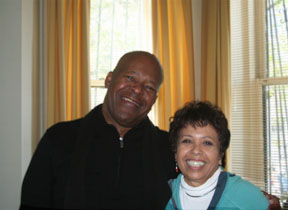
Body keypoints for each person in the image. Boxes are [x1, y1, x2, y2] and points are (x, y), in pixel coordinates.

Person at [20, 51, 280, 210]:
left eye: (148, 87)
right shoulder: (60, 138)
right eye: (130, 78)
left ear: (154, 99)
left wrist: (256, 200)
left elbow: (203, 172)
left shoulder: (167, 147)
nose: (136, 90)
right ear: (110, 79)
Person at [166, 101, 270, 209]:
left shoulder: (248, 197)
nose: (196, 150)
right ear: (175, 151)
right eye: (187, 141)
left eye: (207, 143)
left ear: (220, 155)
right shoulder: (161, 195)